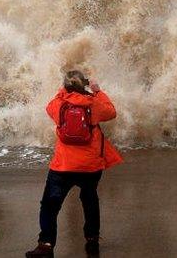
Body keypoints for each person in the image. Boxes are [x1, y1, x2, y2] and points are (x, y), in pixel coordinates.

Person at [25, 70, 123, 257]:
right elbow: (111, 112)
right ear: (83, 85)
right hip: (90, 165)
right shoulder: (93, 104)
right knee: (89, 200)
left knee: (49, 205)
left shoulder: (59, 104)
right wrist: (97, 91)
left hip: (63, 166)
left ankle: (46, 244)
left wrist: (63, 90)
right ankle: (92, 239)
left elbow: (49, 107)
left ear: (66, 87)